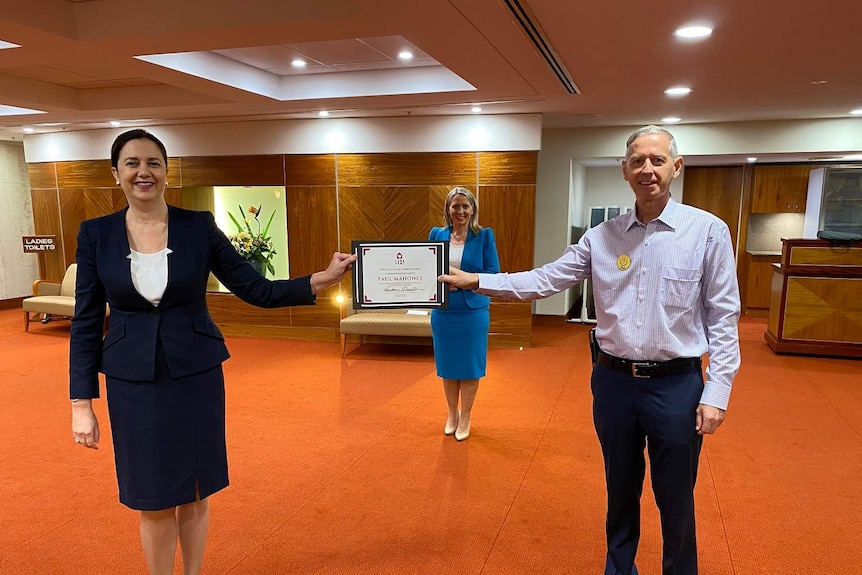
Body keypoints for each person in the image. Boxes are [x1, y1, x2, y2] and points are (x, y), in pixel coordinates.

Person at [439, 126, 740, 574]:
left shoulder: (708, 232)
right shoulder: (602, 237)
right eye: (637, 161)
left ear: (676, 167)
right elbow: (546, 278)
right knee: (620, 491)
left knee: (675, 500)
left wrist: (717, 392)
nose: (647, 170)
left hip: (677, 387)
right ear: (624, 170)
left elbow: (723, 317)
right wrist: (478, 281)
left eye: (657, 160)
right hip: (614, 383)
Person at [69, 129, 356, 575]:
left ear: (167, 172)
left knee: (196, 487)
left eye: (154, 163)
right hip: (132, 383)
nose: (143, 172)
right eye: (132, 163)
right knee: (153, 494)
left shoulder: (197, 226)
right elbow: (86, 322)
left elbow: (254, 288)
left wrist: (319, 280)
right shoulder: (96, 235)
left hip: (195, 375)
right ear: (116, 174)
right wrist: (81, 404)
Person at [428, 187, 500, 441]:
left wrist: (465, 281)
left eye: (465, 206)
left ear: (473, 210)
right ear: (448, 209)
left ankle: (466, 415)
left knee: (469, 367)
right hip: (444, 312)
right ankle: (451, 413)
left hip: (473, 312)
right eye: (455, 206)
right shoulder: (436, 234)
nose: (460, 211)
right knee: (447, 366)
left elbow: (493, 272)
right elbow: (426, 267)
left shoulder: (484, 235)